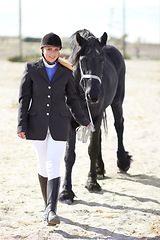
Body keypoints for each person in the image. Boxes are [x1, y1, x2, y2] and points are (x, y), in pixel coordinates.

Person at [17, 32, 93, 226]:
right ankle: (47, 205)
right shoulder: (31, 69)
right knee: (43, 166)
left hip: (60, 125)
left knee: (53, 165)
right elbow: (24, 99)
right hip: (36, 126)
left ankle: (52, 210)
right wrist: (21, 125)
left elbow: (73, 99)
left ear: (60, 51)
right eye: (49, 49)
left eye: (56, 50)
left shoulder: (66, 72)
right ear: (42, 50)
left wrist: (84, 120)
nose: (52, 53)